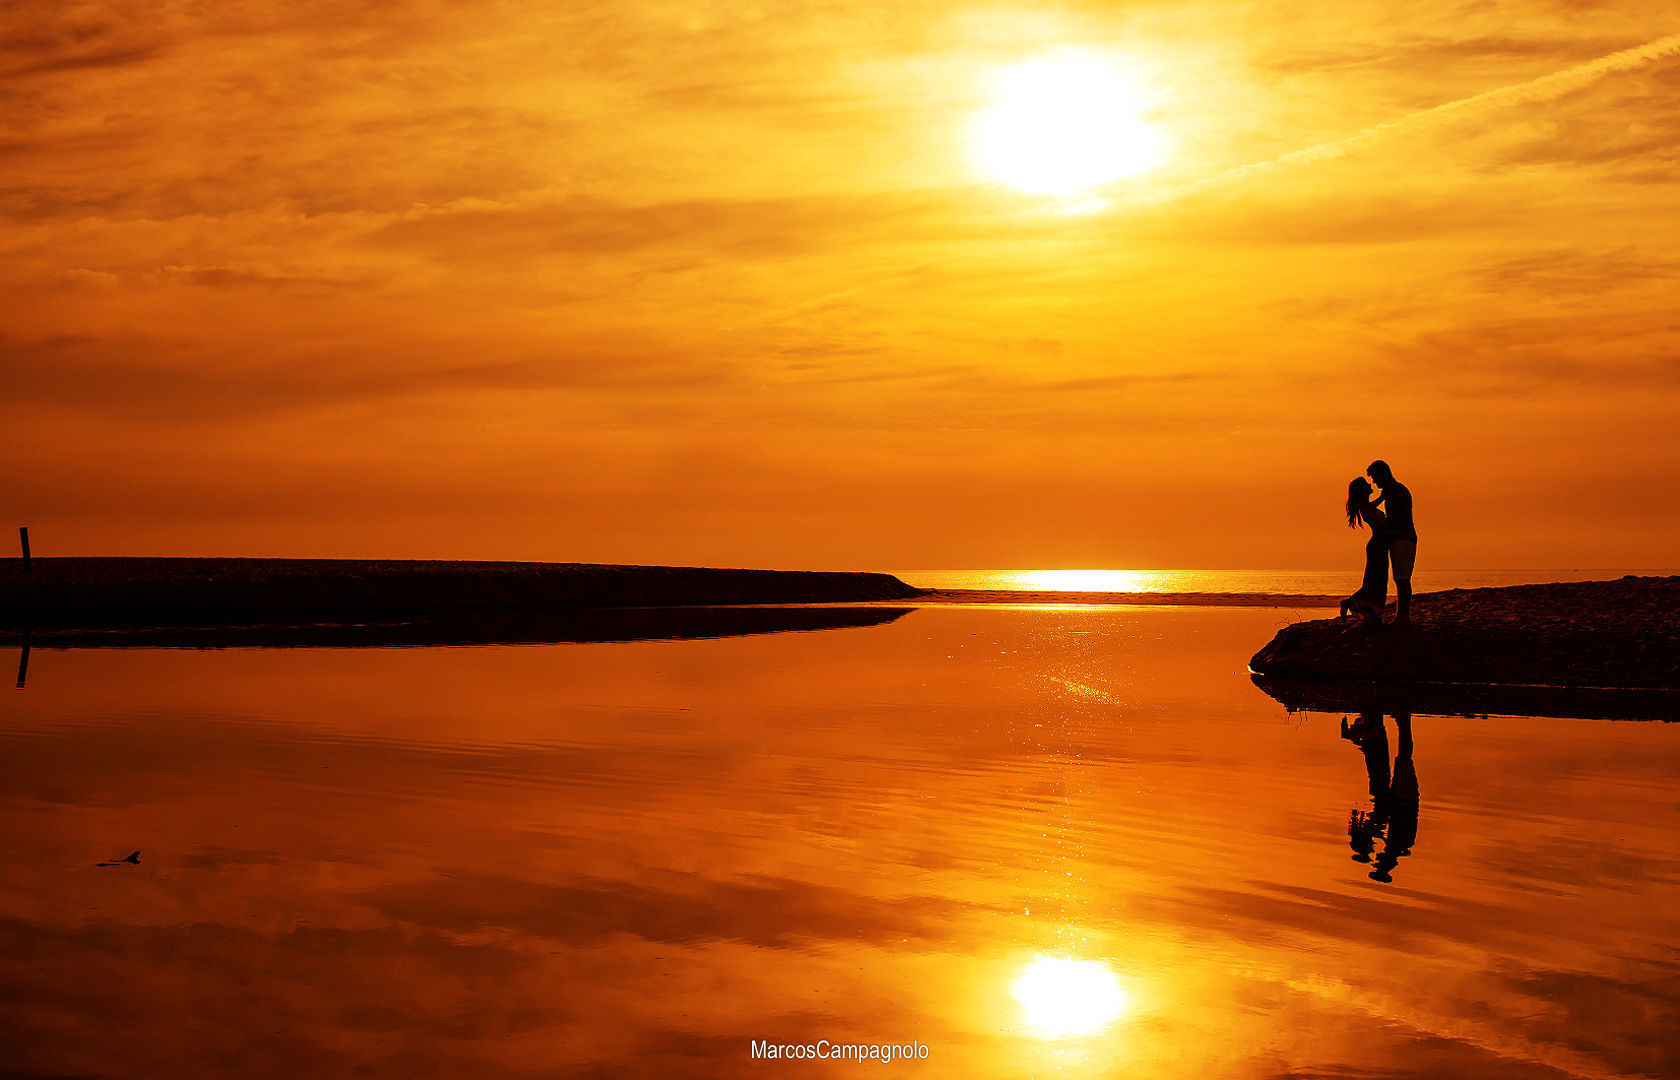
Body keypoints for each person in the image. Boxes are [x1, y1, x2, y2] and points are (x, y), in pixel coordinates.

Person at [1367, 460, 1417, 624]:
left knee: (1402, 578)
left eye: (1374, 477)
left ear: (1382, 475)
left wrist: (1384, 526)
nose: (1373, 481)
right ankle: (1402, 616)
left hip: (1404, 538)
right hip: (1399, 538)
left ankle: (1403, 617)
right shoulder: (1390, 493)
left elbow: (1402, 520)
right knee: (1400, 578)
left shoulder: (1398, 491)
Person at [1341, 478, 1391, 623]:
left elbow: (1373, 505)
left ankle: (1372, 614)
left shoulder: (1367, 506)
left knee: (1377, 581)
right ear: (1363, 490)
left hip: (1380, 546)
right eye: (1366, 484)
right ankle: (1350, 602)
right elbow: (1379, 519)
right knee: (1376, 582)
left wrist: (1383, 497)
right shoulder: (1365, 508)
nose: (1370, 485)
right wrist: (1383, 496)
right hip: (1377, 546)